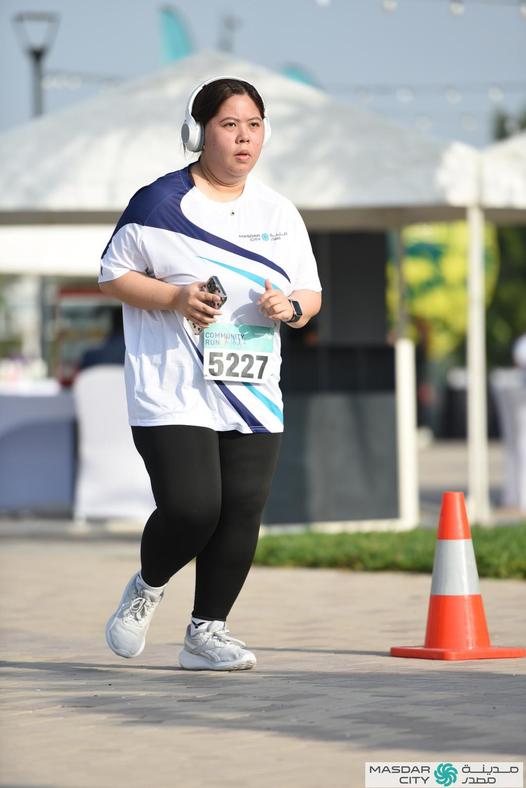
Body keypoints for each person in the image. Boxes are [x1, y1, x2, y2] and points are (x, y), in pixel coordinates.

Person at [98, 76, 322, 671]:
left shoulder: (279, 211)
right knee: (194, 508)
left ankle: (206, 634)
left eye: (254, 125)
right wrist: (175, 298)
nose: (244, 137)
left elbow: (310, 294)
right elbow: (113, 275)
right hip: (171, 387)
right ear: (198, 133)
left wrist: (289, 308)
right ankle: (147, 587)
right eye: (229, 125)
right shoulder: (158, 203)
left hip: (251, 387)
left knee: (242, 509)